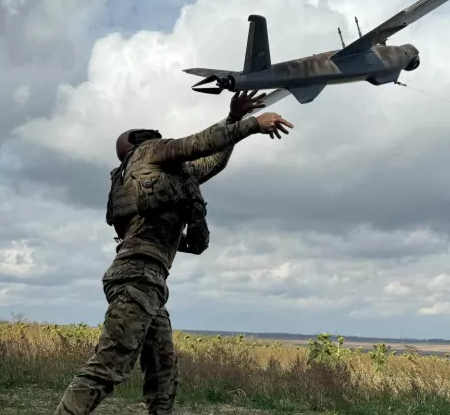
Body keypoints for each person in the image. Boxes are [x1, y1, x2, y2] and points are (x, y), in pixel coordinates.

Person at [53, 91, 294, 415]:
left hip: (144, 282)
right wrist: (251, 125)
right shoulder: (148, 153)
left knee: (163, 370)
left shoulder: (147, 179)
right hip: (139, 279)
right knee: (108, 367)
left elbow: (211, 160)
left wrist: (234, 121)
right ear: (141, 144)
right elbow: (198, 144)